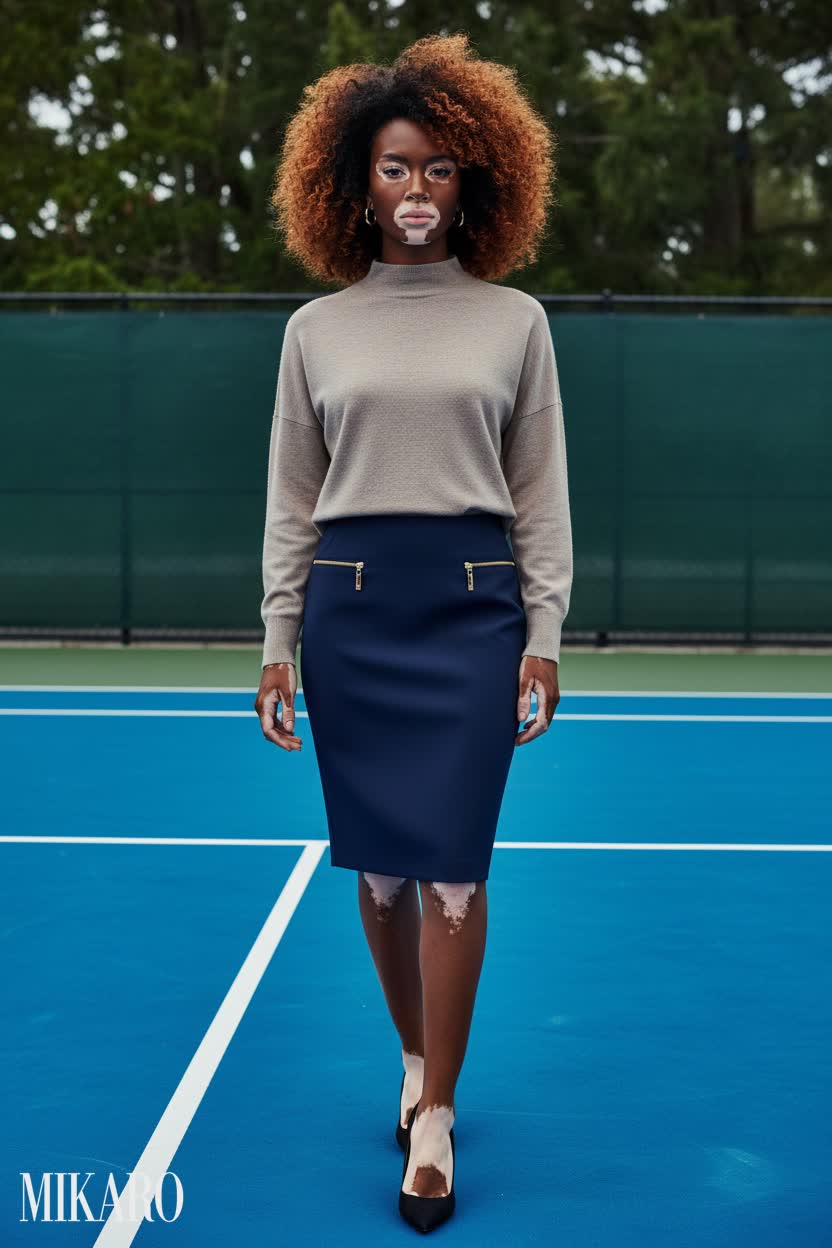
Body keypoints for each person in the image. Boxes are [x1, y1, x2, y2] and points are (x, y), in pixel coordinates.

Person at [253, 32, 573, 1233]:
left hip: (474, 611)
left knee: (453, 872)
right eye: (395, 169)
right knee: (380, 873)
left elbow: (539, 492)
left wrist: (543, 630)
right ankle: (412, 1060)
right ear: (354, 184)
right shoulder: (313, 333)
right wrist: (278, 639)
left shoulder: (517, 321)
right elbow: (292, 499)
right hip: (351, 613)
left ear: (476, 181)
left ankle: (435, 1115)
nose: (418, 191)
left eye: (440, 169)